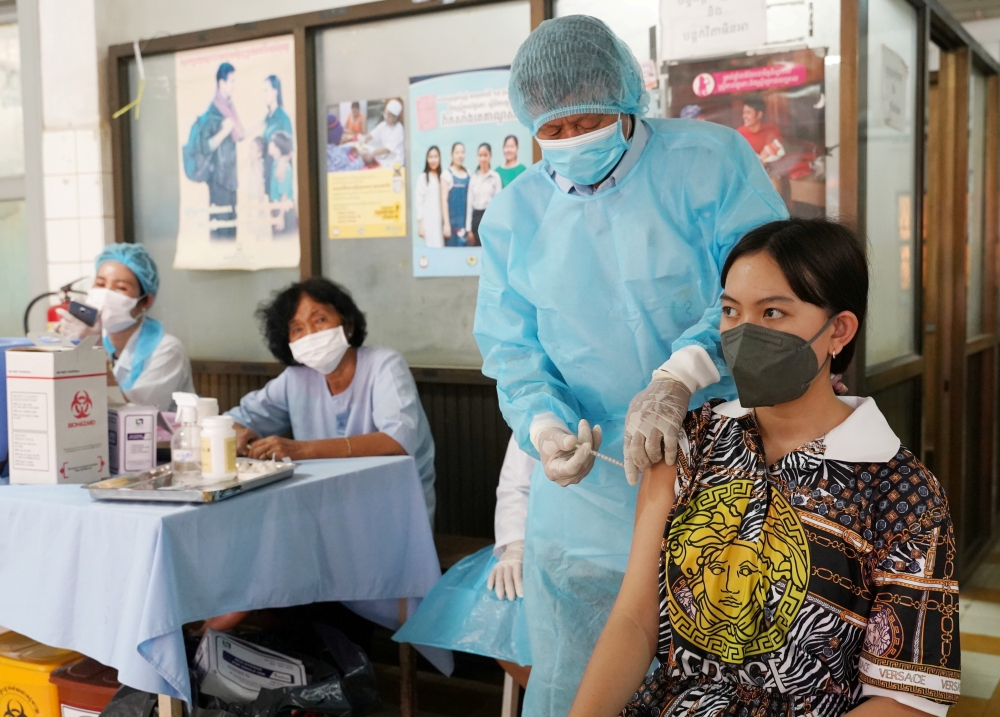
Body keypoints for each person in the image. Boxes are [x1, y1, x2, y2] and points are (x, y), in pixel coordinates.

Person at [473, 16, 787, 716]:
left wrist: (680, 375)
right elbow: (513, 347)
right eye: (550, 131)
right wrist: (544, 426)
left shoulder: (709, 163)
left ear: (624, 102)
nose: (567, 142)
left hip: (713, 461)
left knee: (717, 670)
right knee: (576, 676)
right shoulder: (516, 214)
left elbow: (765, 289)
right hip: (584, 495)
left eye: (583, 121)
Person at [570, 219, 960, 717]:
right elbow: (636, 620)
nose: (744, 332)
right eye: (731, 311)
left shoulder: (902, 494)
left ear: (838, 330)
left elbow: (906, 699)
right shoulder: (689, 441)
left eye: (773, 311)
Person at [226, 277, 436, 525]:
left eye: (320, 320)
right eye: (297, 329)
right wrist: (241, 435)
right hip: (319, 505)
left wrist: (301, 450)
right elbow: (233, 420)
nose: (310, 335)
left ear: (347, 325)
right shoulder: (296, 378)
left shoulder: (384, 364)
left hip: (388, 505)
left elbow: (397, 440)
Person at [391, 435, 535, 688]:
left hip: (615, 557)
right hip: (540, 547)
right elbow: (517, 486)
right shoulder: (537, 403)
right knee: (493, 606)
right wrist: (516, 545)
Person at [56, 244, 194, 412]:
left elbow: (137, 413)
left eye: (120, 288)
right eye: (100, 284)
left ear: (145, 301)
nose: (106, 294)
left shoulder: (168, 350)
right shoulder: (105, 344)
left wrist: (96, 353)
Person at [202, 63, 243, 239]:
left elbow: (240, 134)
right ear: (221, 83)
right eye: (231, 81)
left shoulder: (230, 109)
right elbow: (205, 146)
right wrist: (223, 132)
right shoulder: (212, 112)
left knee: (232, 231)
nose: (234, 85)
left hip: (231, 181)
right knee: (221, 233)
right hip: (218, 182)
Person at [466, 143, 502, 246]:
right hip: (476, 219)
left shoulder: (495, 177)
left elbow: (497, 204)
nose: (483, 158)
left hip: (489, 218)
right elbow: (469, 205)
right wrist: (468, 229)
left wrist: (496, 225)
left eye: (485, 155)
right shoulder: (473, 178)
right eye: (480, 155)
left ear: (490, 156)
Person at [262, 75, 293, 192]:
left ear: (275, 91)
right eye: (262, 91)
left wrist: (281, 164)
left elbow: (290, 149)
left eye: (266, 90)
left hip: (280, 174)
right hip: (268, 171)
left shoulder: (283, 117)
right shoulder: (267, 118)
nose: (263, 95)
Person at [737, 97, 785, 164]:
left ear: (759, 115)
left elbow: (781, 153)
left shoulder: (772, 130)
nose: (744, 116)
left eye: (748, 113)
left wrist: (769, 151)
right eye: (744, 113)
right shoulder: (739, 134)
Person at [441, 143, 470, 247]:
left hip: (465, 222)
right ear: (451, 155)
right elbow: (443, 201)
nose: (460, 155)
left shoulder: (468, 173)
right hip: (452, 224)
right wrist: (446, 224)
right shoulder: (447, 174)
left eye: (462, 152)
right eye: (457, 152)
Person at [268, 130, 296, 235]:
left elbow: (284, 195)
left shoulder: (283, 167)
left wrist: (280, 217)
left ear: (277, 147)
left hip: (283, 211)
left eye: (272, 142)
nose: (269, 144)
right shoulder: (277, 164)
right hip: (277, 209)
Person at [417, 146, 445, 248]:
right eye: (430, 157)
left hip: (441, 221)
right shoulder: (423, 178)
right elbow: (419, 202)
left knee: (442, 248)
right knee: (431, 249)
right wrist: (420, 225)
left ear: (439, 158)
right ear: (427, 159)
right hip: (428, 221)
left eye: (435, 157)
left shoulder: (443, 177)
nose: (433, 160)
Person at [366, 99, 405, 168]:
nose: (385, 117)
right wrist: (362, 139)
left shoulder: (398, 129)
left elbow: (386, 149)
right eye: (385, 114)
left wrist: (370, 153)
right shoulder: (383, 125)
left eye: (388, 116)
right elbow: (371, 135)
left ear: (395, 117)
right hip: (385, 160)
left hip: (395, 162)